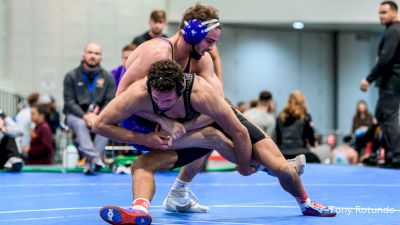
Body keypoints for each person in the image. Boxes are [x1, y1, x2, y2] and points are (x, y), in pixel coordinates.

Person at [94, 59, 336, 225]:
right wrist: (144, 138)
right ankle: (139, 209)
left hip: (223, 121)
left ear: (180, 90)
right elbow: (99, 125)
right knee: (142, 164)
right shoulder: (139, 93)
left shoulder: (202, 94)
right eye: (156, 99)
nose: (161, 106)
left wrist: (243, 166)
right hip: (197, 134)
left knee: (281, 167)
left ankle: (306, 203)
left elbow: (239, 132)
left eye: (167, 101)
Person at [115, 3, 302, 214]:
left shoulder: (201, 61)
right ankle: (266, 166)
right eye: (210, 41)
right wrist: (163, 121)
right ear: (192, 34)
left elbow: (220, 103)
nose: (212, 48)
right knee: (214, 134)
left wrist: (189, 123)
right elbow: (120, 99)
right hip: (141, 122)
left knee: (222, 116)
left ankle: (181, 192)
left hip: (172, 117)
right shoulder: (157, 52)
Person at [63, 42, 115, 174]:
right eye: (90, 52)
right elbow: (69, 102)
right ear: (83, 55)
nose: (93, 56)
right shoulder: (71, 76)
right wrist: (85, 116)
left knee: (106, 125)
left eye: (96, 53)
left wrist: (98, 117)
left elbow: (110, 102)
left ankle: (91, 163)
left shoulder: (108, 78)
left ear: (101, 58)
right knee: (80, 124)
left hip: (99, 116)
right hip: (76, 116)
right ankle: (95, 157)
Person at [360, 1, 400, 167]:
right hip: (391, 82)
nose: (381, 16)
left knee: (389, 118)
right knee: (382, 115)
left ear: (394, 13)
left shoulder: (393, 30)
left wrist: (368, 79)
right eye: (380, 13)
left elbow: (386, 58)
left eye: (384, 12)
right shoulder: (392, 30)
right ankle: (391, 153)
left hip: (391, 82)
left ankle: (397, 156)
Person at [276, 91, 320, 163]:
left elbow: (278, 138)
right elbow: (310, 136)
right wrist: (313, 144)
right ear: (302, 101)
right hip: (300, 153)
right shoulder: (305, 117)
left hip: (283, 153)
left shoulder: (280, 116)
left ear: (289, 101)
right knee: (316, 160)